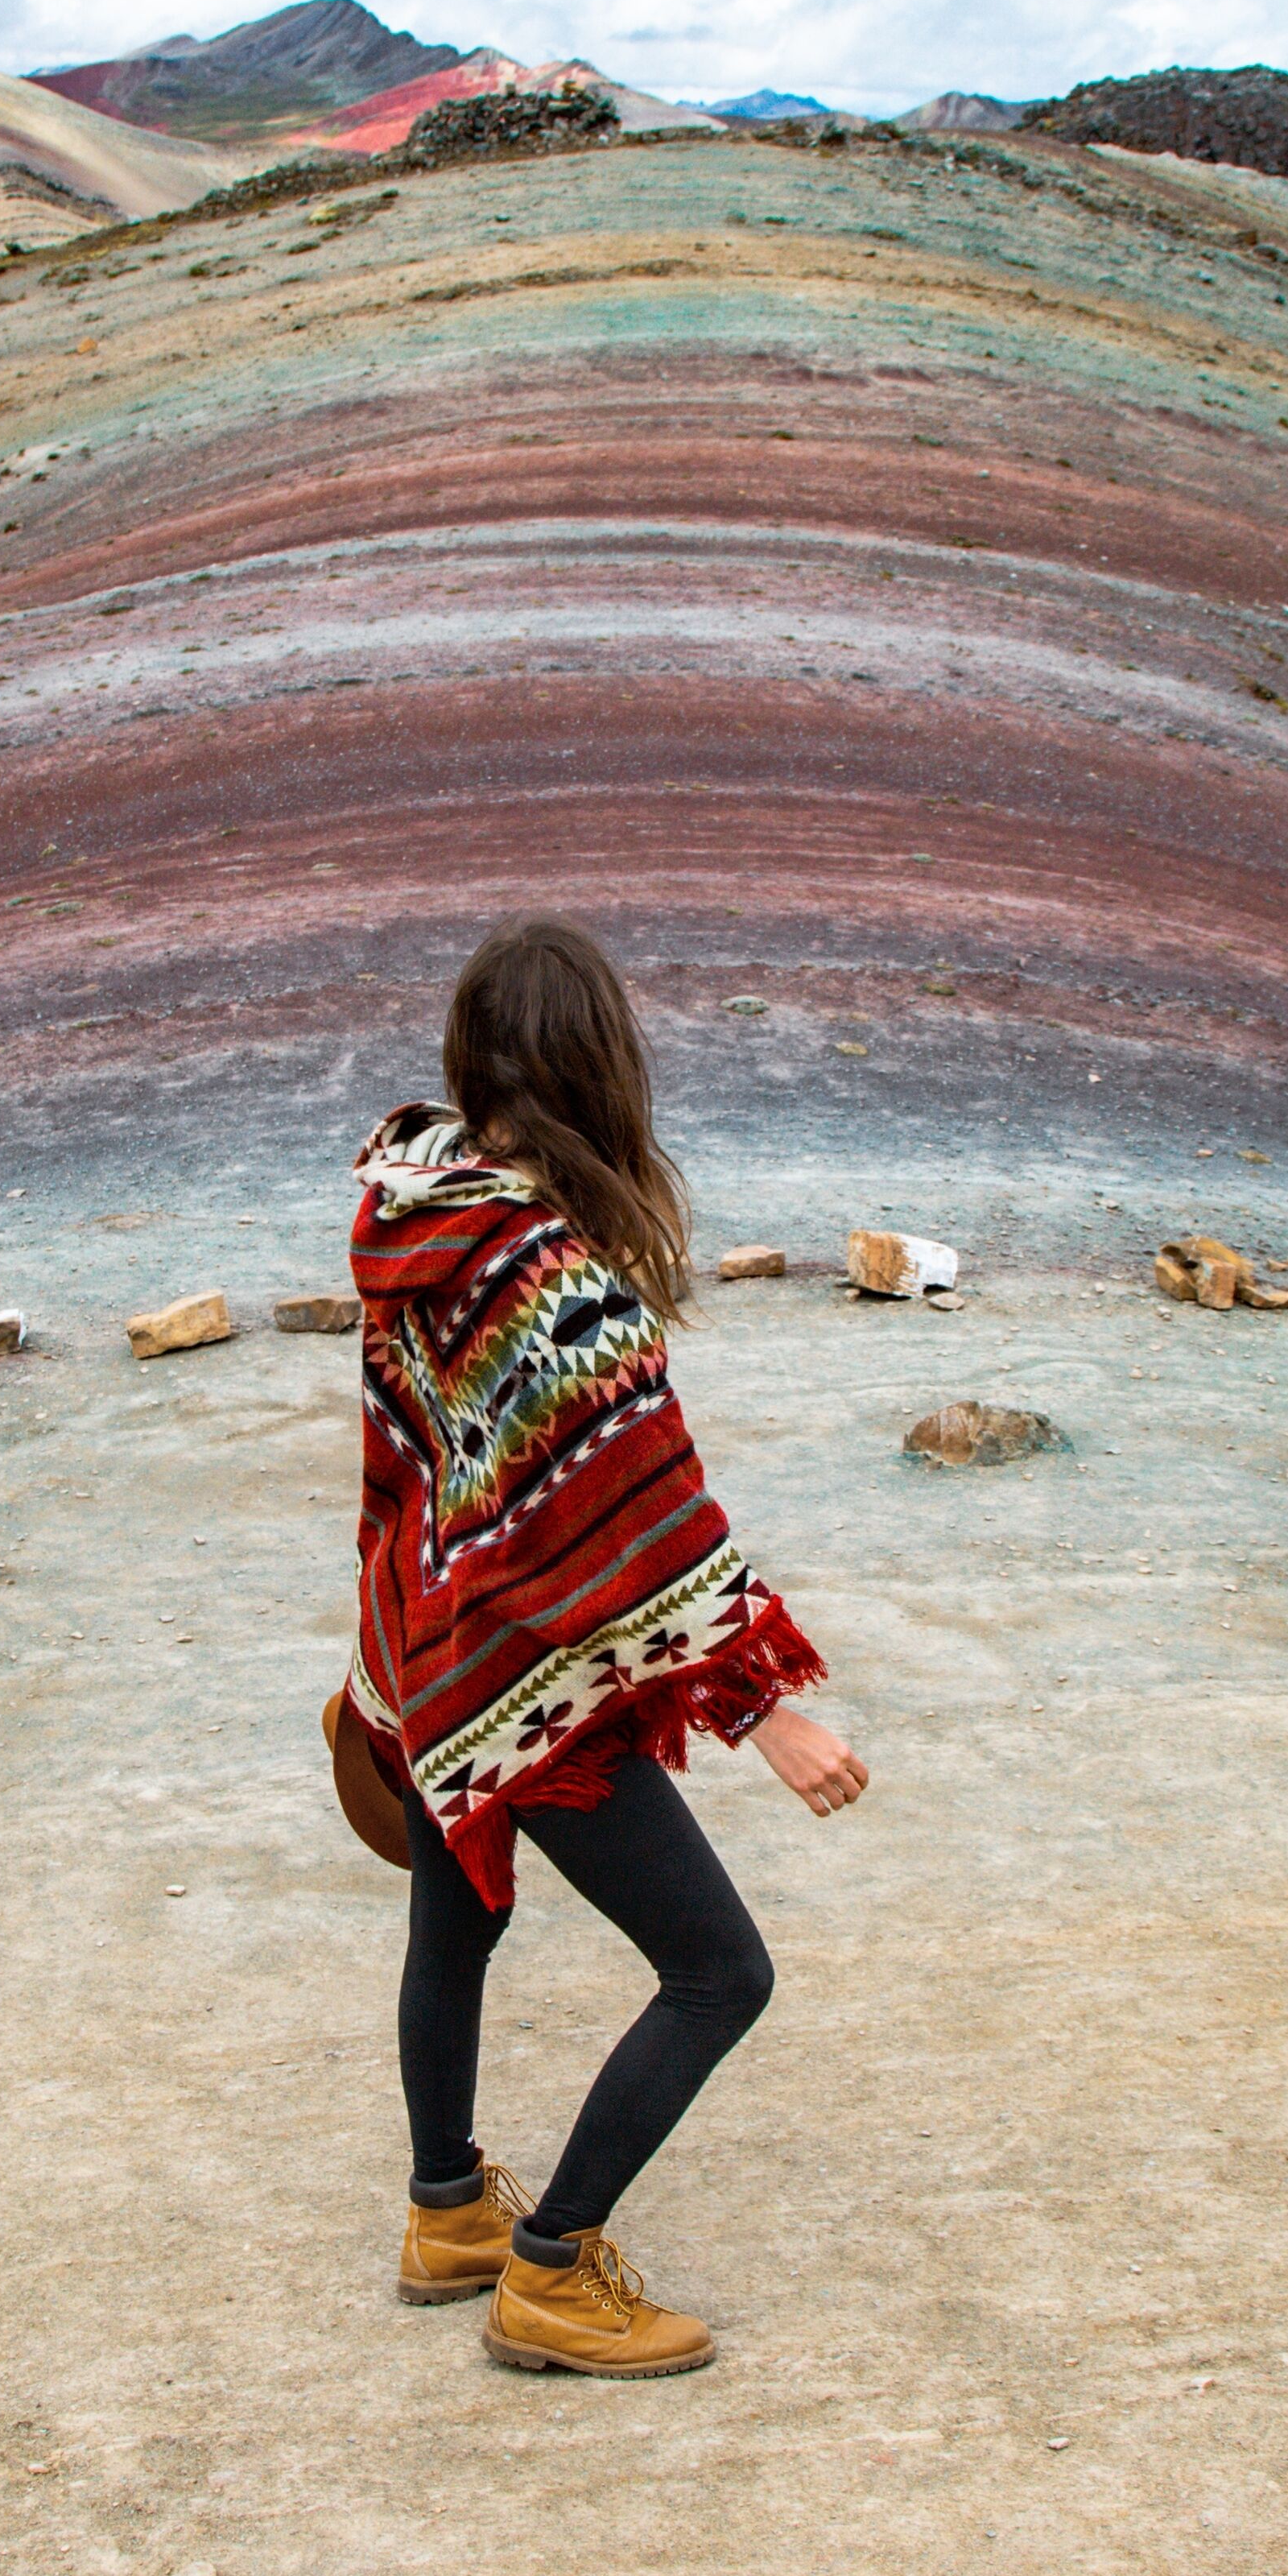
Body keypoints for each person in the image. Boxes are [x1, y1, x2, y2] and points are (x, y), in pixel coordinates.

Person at [341, 918, 868, 2377]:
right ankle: (552, 2271)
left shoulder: (412, 1215)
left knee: (454, 1927)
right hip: (528, 1690)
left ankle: (446, 2209)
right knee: (720, 1974)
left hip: (431, 1661)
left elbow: (405, 1470)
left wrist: (385, 1675)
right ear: (597, 1068)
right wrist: (766, 1712)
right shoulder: (551, 1281)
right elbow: (648, 1521)